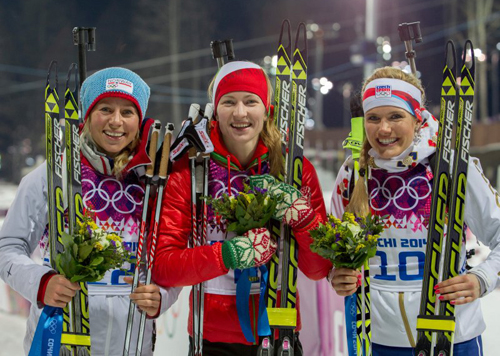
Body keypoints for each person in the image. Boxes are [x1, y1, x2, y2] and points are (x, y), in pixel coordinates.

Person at [153, 61, 332, 356]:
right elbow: (163, 265)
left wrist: (304, 220)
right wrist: (226, 254)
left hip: (280, 332)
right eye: (228, 102)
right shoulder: (191, 169)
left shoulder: (294, 170)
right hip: (209, 337)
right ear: (215, 110)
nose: (240, 113)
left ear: (267, 109)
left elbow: (318, 269)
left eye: (251, 101)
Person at [0, 67, 180, 356]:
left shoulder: (155, 182)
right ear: (87, 115)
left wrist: (165, 295)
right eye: (105, 109)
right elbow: (7, 247)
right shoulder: (50, 176)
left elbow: (173, 256)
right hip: (62, 335)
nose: (116, 121)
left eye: (127, 112)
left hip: (131, 340)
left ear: (140, 119)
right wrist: (41, 283)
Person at [329, 66, 500, 356]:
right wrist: (338, 273)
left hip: (451, 336)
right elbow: (334, 250)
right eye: (374, 118)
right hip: (376, 339)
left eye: (396, 116)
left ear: (417, 119)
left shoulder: (451, 167)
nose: (384, 129)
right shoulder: (352, 173)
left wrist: (482, 278)